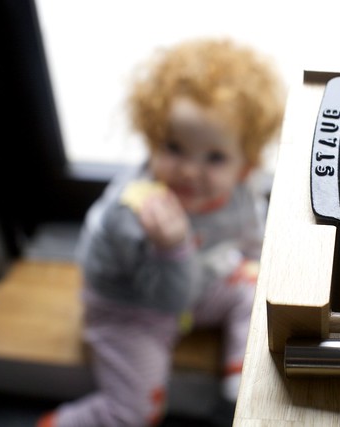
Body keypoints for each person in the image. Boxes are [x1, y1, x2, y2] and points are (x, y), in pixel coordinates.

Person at [37, 38, 285, 427]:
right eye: (173, 147)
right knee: (136, 413)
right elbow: (166, 300)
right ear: (152, 138)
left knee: (257, 286)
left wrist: (254, 265)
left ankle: (237, 390)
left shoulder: (238, 191)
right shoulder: (131, 215)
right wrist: (171, 248)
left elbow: (251, 235)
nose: (188, 170)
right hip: (135, 309)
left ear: (245, 166)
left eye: (214, 157)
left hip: (200, 283)